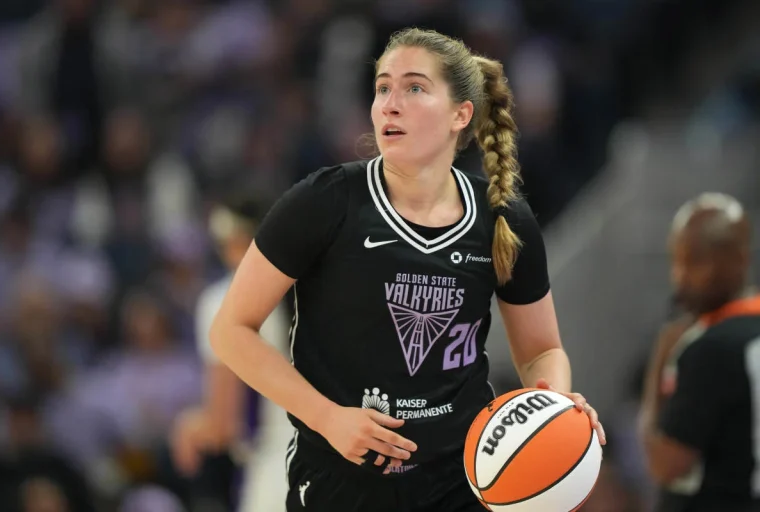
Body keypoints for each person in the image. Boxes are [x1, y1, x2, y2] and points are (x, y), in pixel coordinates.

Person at [209, 27, 605, 512]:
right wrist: (328, 418)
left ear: (461, 114)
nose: (389, 104)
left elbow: (542, 350)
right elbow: (230, 330)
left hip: (462, 482)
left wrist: (552, 407)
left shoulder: (502, 217)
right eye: (382, 88)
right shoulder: (324, 201)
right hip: (340, 483)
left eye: (414, 88)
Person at [639, 192, 760, 512]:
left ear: (739, 258)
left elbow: (665, 466)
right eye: (677, 261)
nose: (679, 276)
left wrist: (660, 359)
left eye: (694, 260)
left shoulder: (710, 348)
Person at [170, 198, 293, 512]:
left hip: (277, 467)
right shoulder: (319, 286)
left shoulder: (222, 300)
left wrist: (189, 426)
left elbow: (223, 425)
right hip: (344, 460)